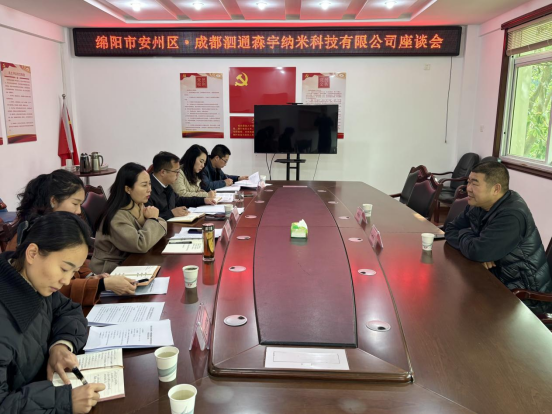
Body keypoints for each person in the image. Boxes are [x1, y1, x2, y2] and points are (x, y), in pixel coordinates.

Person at [0, 212, 105, 413]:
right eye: (64, 269)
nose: (66, 281)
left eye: (73, 272)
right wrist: (63, 401)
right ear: (32, 253)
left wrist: (61, 345)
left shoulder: (34, 282)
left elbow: (68, 310)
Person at [9, 170, 136, 304]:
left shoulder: (60, 228)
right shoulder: (34, 235)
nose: (79, 211)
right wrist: (100, 285)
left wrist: (90, 276)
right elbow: (54, 290)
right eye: (75, 204)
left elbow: (76, 263)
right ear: (53, 201)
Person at [445, 161, 551, 312]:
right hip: (495, 279)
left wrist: (468, 237)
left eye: (475, 183)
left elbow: (478, 251)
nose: (468, 188)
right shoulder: (478, 205)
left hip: (525, 296)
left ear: (496, 189)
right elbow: (450, 229)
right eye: (468, 182)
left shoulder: (512, 215)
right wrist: (477, 245)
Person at [90, 162, 167, 274]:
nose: (149, 189)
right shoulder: (117, 216)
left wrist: (153, 220)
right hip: (110, 271)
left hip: (132, 261)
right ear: (128, 189)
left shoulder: (138, 204)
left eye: (150, 184)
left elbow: (162, 224)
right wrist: (152, 220)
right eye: (144, 185)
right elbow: (141, 245)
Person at [146, 151, 216, 221]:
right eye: (176, 171)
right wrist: (171, 213)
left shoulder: (167, 185)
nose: (178, 175)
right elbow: (148, 218)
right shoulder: (147, 190)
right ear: (163, 172)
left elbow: (179, 200)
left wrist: (203, 200)